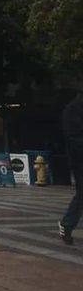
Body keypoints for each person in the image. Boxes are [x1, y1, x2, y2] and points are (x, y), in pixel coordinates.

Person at [59, 92, 83, 245]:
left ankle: (67, 224)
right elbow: (74, 138)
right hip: (79, 161)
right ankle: (67, 224)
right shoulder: (73, 109)